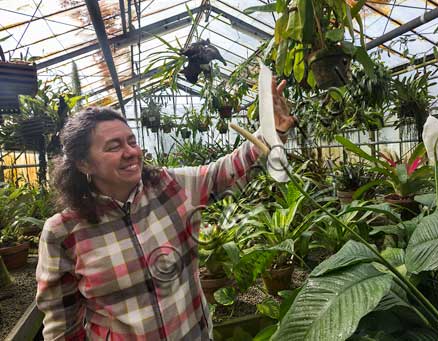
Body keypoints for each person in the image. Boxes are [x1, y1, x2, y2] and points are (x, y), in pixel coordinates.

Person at [36, 78, 295, 340]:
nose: (130, 152)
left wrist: (272, 133)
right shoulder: (64, 232)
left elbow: (224, 172)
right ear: (84, 164)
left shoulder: (169, 186)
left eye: (131, 141)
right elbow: (62, 326)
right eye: (114, 146)